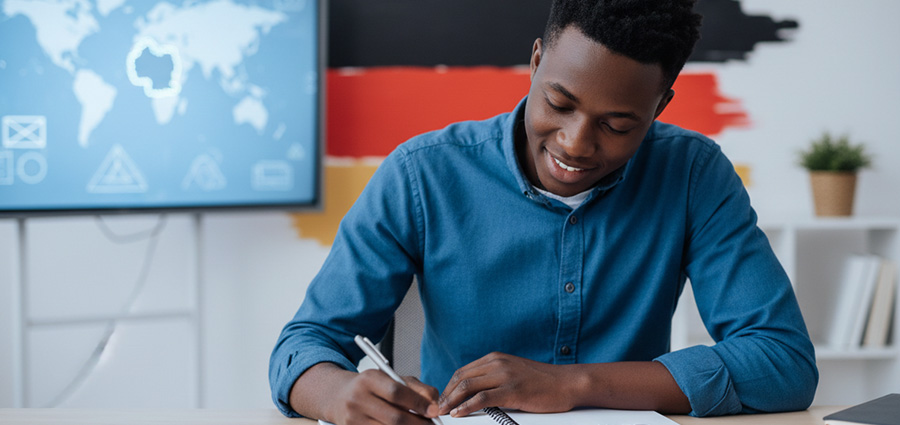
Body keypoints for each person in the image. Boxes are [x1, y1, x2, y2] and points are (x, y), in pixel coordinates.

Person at [269, 0, 818, 422]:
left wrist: (572, 384)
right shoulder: (422, 174)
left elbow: (782, 363)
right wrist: (338, 394)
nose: (576, 143)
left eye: (618, 125)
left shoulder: (694, 174)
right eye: (559, 103)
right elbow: (302, 346)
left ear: (660, 106)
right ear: (535, 62)